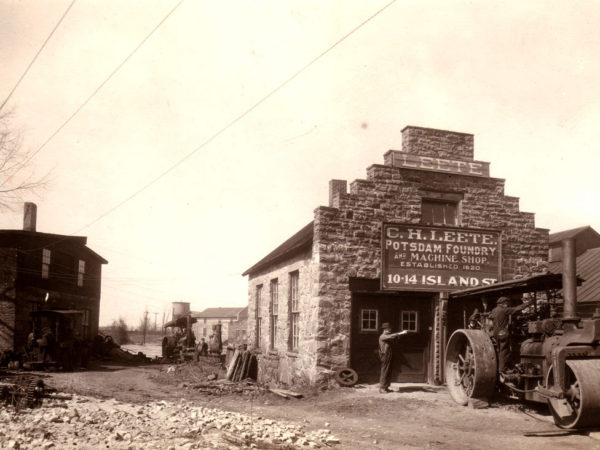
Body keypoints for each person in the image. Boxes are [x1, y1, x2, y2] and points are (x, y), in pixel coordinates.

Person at [488, 296, 529, 372]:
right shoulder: (504, 310)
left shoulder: (494, 310)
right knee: (504, 351)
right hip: (503, 333)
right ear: (503, 303)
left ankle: (500, 367)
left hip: (495, 333)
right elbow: (516, 309)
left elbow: (490, 317)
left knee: (499, 350)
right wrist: (527, 304)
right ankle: (502, 369)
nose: (507, 305)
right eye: (507, 303)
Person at [378, 322, 408, 393]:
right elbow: (392, 336)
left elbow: (394, 337)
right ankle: (382, 388)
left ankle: (386, 387)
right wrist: (401, 333)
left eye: (390, 328)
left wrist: (398, 336)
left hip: (389, 355)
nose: (389, 330)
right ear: (384, 329)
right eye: (388, 329)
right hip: (385, 356)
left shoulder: (387, 336)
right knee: (385, 372)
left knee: (388, 372)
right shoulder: (382, 336)